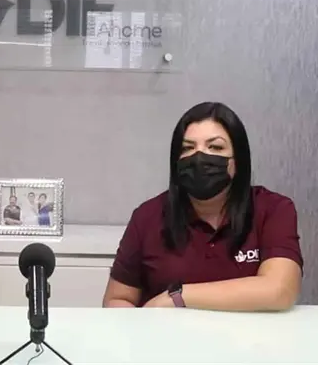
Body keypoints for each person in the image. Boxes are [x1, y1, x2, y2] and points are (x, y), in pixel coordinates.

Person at [102, 102, 303, 311]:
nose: (199, 157)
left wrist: (176, 297)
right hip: (168, 332)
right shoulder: (147, 216)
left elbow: (280, 290)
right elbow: (117, 299)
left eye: (215, 147)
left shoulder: (273, 209)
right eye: (188, 148)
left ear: (238, 160)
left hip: (248, 333)